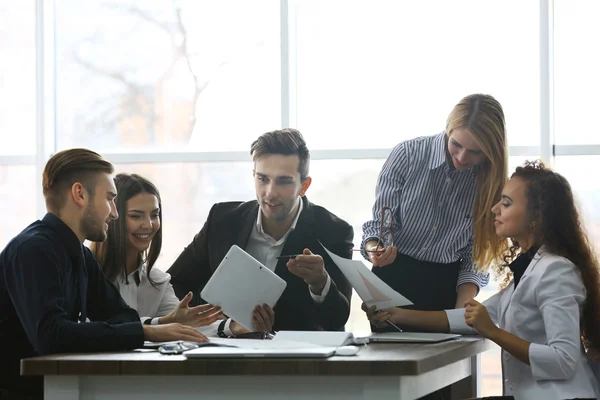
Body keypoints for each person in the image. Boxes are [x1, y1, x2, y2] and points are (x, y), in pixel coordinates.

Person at [366, 161, 600, 400]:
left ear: (536, 217)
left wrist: (493, 332)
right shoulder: (530, 270)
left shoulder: (556, 271)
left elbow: (563, 360)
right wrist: (398, 314)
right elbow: (468, 317)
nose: (494, 209)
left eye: (506, 203)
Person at [0, 149, 207, 399]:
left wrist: (135, 329)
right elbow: (51, 336)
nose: (114, 212)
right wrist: (147, 331)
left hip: (60, 388)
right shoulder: (32, 250)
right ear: (80, 194)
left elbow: (124, 316)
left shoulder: (81, 256)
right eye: (110, 199)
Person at [167, 128, 353, 336]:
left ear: (304, 186)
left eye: (284, 181)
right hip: (223, 351)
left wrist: (320, 283)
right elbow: (174, 283)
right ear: (253, 176)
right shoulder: (221, 220)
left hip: (297, 361)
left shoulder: (334, 232)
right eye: (263, 179)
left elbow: (336, 320)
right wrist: (216, 323)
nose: (270, 192)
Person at [362, 94, 509, 321]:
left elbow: (477, 251)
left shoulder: (490, 181)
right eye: (456, 144)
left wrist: (462, 308)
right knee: (388, 354)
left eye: (475, 151)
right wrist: (375, 249)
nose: (461, 157)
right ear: (448, 129)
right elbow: (380, 227)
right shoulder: (407, 155)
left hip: (448, 286)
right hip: (393, 276)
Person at [90, 173, 222, 333]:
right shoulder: (86, 273)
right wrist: (165, 322)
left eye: (154, 215)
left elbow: (185, 323)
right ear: (112, 216)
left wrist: (233, 327)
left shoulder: (158, 281)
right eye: (136, 216)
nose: (148, 224)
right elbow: (97, 326)